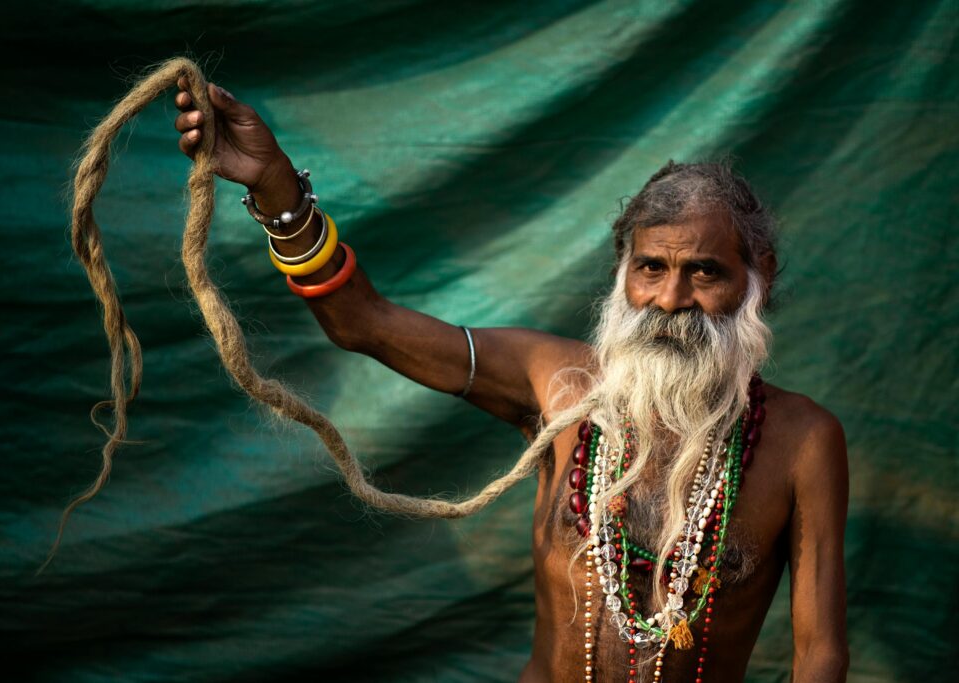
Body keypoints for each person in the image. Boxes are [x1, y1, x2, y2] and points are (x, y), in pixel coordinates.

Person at [172, 79, 849, 683]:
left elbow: (820, 653)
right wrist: (276, 189)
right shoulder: (555, 383)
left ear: (757, 275)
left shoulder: (803, 441)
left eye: (704, 272)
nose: (670, 299)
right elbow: (363, 322)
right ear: (623, 271)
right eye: (651, 268)